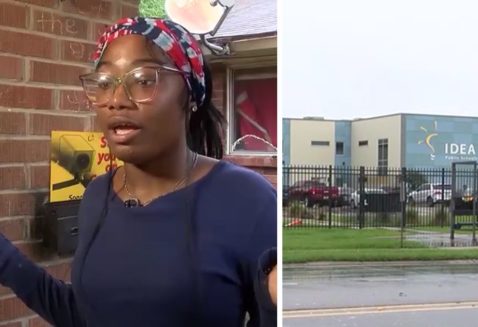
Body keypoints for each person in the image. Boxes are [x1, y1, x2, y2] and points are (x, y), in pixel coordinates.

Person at [0, 17, 277, 327]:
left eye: (144, 79)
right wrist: (6, 259)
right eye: (104, 82)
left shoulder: (247, 200)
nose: (116, 100)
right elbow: (84, 315)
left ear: (190, 95)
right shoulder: (97, 196)